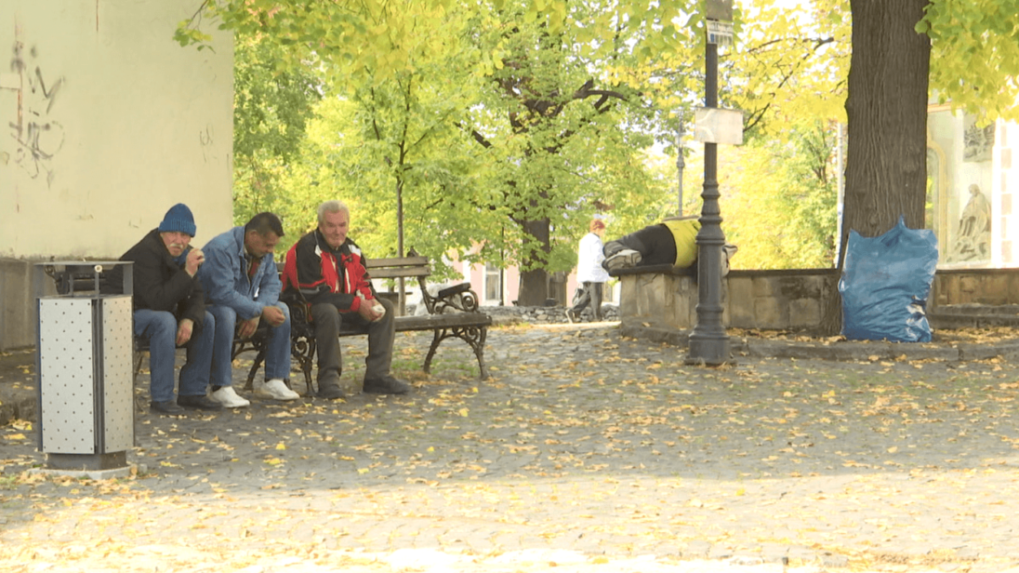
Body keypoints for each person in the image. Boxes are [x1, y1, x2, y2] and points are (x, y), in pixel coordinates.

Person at [281, 200, 411, 399]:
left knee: (385, 307)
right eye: (331, 226)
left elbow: (364, 282)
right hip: (307, 309)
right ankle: (329, 380)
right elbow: (314, 293)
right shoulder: (307, 247)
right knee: (327, 311)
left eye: (342, 225)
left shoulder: (352, 249)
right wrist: (357, 304)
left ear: (348, 225)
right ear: (321, 226)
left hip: (346, 306)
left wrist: (370, 301)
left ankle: (377, 377)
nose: (337, 231)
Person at [102, 203, 222, 414]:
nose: (179, 240)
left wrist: (189, 319)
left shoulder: (186, 254)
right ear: (162, 232)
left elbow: (196, 294)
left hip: (151, 309)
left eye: (185, 235)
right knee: (164, 321)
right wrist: (187, 272)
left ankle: (193, 391)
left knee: (207, 320)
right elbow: (156, 301)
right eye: (173, 233)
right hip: (122, 311)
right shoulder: (146, 252)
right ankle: (162, 398)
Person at [198, 212, 300, 407]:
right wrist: (257, 310)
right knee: (226, 313)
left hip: (242, 307)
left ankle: (275, 380)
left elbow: (272, 286)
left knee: (282, 310)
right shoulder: (222, 248)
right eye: (268, 245)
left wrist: (257, 311)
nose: (271, 251)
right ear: (253, 236)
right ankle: (220, 387)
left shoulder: (263, 253)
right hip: (209, 308)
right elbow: (222, 294)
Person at [602, 216, 737, 273]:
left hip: (661, 232)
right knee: (638, 266)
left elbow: (671, 219)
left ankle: (622, 252)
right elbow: (701, 272)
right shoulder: (716, 244)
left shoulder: (698, 222)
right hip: (674, 256)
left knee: (613, 245)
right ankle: (625, 261)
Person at [567, 218, 609, 322]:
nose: (603, 232)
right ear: (598, 229)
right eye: (603, 230)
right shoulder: (596, 240)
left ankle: (574, 311)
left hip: (585, 272)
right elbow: (598, 256)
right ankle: (596, 317)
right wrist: (606, 262)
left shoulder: (584, 240)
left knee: (588, 295)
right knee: (596, 296)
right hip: (594, 273)